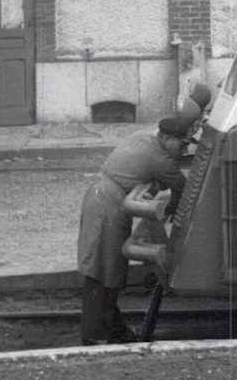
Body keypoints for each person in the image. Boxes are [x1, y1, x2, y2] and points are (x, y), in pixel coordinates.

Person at [76, 116, 190, 344]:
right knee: (104, 273)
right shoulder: (161, 159)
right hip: (109, 207)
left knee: (100, 270)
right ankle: (94, 337)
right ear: (166, 138)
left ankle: (112, 330)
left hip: (98, 196)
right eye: (182, 143)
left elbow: (138, 173)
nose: (184, 149)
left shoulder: (142, 137)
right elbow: (182, 188)